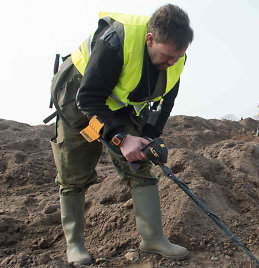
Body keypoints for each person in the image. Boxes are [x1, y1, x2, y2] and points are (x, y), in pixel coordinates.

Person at [49, 4, 193, 265]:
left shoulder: (176, 59)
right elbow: (89, 99)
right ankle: (75, 245)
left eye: (178, 56)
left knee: (139, 164)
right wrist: (121, 138)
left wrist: (149, 136)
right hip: (79, 102)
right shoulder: (115, 41)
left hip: (120, 105)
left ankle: (152, 238)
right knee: (74, 173)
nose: (172, 62)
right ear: (150, 39)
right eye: (167, 55)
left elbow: (164, 103)